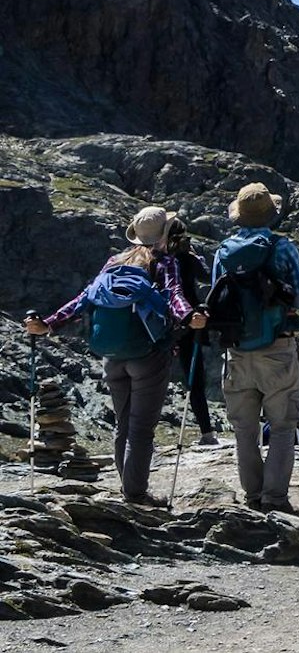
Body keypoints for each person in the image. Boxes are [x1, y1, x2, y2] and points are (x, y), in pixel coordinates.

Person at [27, 206, 204, 506]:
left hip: (111, 354)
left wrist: (47, 324)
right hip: (149, 354)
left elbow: (83, 300)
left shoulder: (113, 263)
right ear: (164, 235)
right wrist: (190, 318)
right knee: (141, 428)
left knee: (123, 424)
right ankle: (135, 496)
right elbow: (174, 296)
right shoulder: (164, 262)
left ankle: (128, 489)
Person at [210, 184, 299, 514]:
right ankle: (275, 498)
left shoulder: (223, 251)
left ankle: (253, 496)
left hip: (236, 350)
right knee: (282, 425)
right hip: (277, 346)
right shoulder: (282, 247)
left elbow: (216, 298)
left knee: (244, 429)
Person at [163, 214, 218, 447]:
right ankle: (206, 432)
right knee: (195, 377)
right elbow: (208, 275)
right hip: (191, 320)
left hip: (164, 320)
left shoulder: (159, 258)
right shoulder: (186, 257)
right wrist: (197, 255)